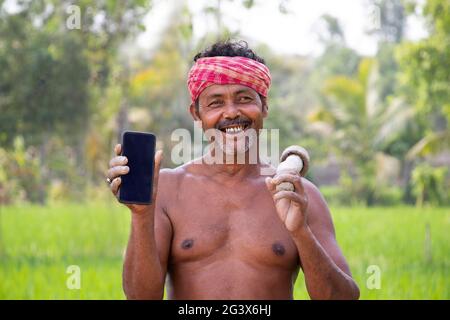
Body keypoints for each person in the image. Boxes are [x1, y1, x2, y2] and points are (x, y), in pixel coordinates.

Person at [106, 40, 360, 300]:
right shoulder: (167, 191)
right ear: (196, 114)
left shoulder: (299, 195)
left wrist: (300, 232)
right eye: (216, 103)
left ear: (264, 106)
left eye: (244, 99)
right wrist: (141, 215)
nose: (231, 112)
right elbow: (140, 298)